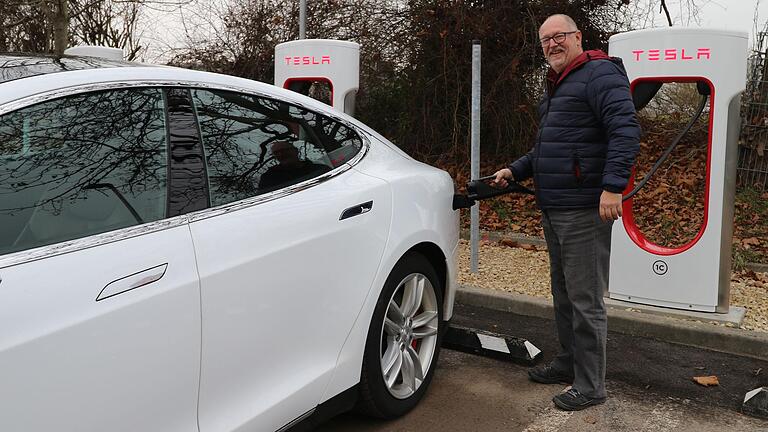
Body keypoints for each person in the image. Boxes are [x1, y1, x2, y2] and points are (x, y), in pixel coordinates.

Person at [492, 14, 640, 411]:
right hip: (555, 207)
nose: (552, 45)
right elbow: (550, 148)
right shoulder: (557, 85)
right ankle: (569, 363)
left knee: (585, 298)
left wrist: (613, 187)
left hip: (583, 208)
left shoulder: (598, 74)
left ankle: (590, 386)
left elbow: (625, 129)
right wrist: (516, 169)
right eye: (545, 41)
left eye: (559, 36)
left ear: (577, 36)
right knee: (564, 295)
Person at [259, 140, 330, 192]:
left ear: (296, 151)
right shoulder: (268, 178)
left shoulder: (319, 169)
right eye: (276, 153)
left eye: (285, 150)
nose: (281, 154)